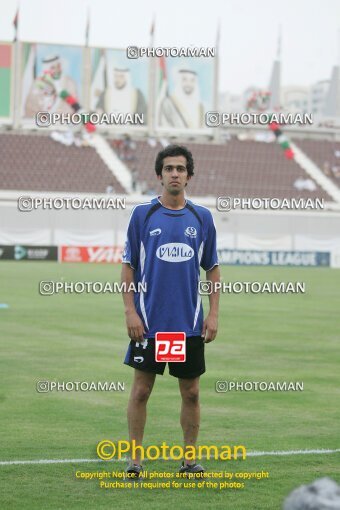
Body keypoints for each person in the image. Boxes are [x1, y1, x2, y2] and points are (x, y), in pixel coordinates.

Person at [121, 144, 220, 478]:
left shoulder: (202, 218)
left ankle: (189, 461)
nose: (174, 173)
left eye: (180, 168)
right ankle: (135, 460)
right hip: (149, 324)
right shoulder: (142, 215)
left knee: (191, 392)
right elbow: (128, 266)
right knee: (141, 390)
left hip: (188, 325)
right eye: (168, 168)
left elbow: (213, 269)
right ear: (159, 174)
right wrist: (130, 312)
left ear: (189, 175)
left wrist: (214, 313)